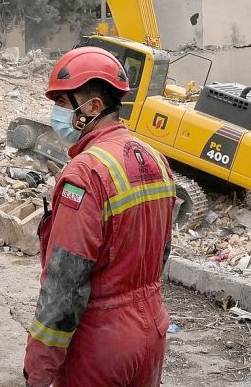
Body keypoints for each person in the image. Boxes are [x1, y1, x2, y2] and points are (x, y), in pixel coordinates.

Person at [23, 46, 176, 387]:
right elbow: (162, 251)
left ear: (92, 107)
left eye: (62, 103)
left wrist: (40, 367)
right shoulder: (155, 159)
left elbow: (65, 282)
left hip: (101, 342)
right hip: (152, 328)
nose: (55, 113)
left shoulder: (86, 171)